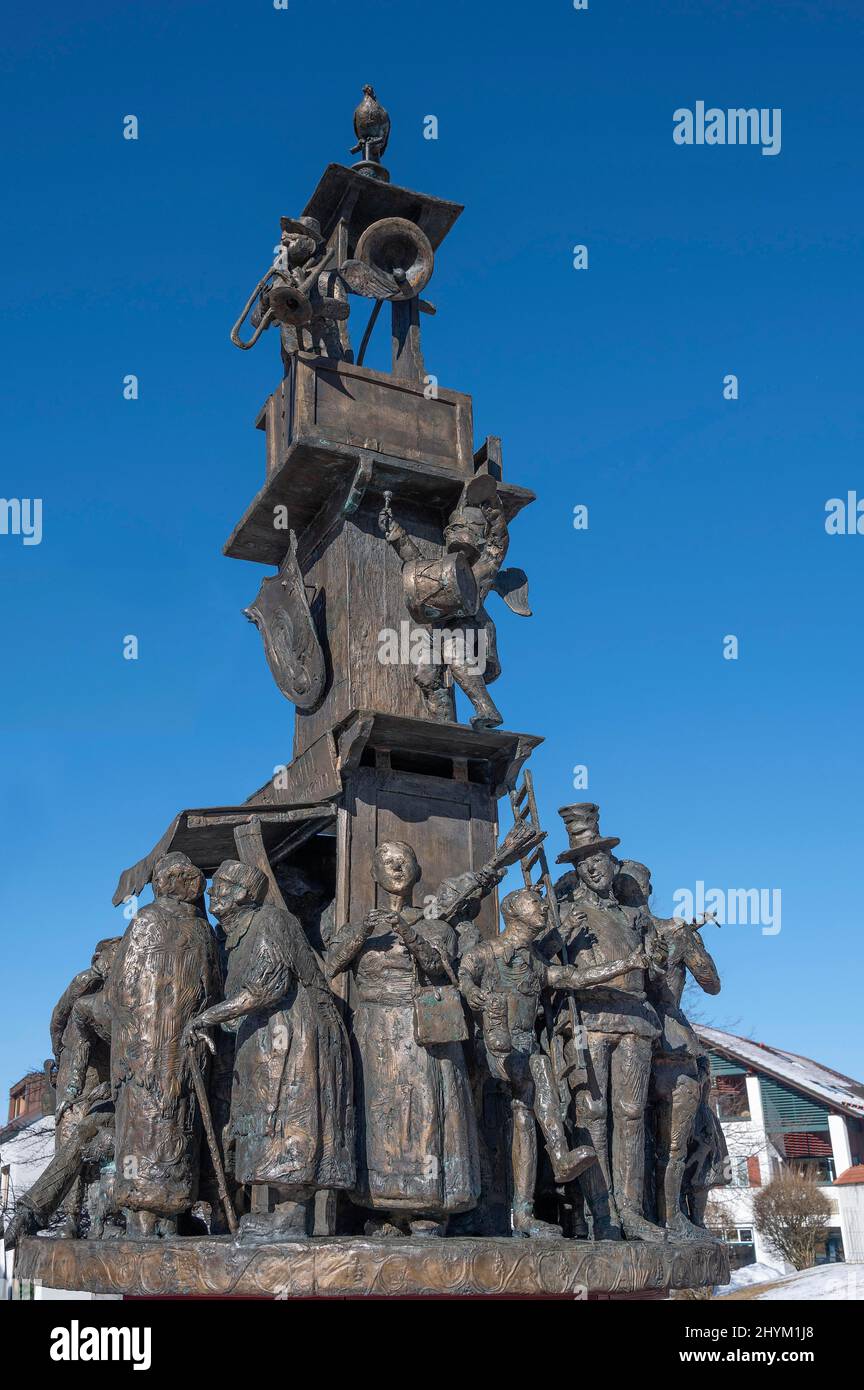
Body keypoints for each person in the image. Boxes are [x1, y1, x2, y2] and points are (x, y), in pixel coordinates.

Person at [459, 886, 647, 1237]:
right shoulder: (487, 952)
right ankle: (559, 1155)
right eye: (535, 902)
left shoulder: (534, 962)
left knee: (525, 1122)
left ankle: (525, 1212)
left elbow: (574, 977)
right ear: (513, 910)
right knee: (540, 1069)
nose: (543, 907)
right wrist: (475, 995)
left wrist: (629, 963)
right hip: (493, 1049)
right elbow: (465, 975)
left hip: (524, 1051)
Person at [184, 859, 355, 1241]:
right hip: (265, 1035)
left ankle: (293, 1214)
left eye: (224, 887)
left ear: (245, 894)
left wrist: (207, 1017)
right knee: (265, 1115)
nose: (214, 892)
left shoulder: (271, 922)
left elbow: (267, 986)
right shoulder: (232, 934)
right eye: (215, 887)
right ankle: (279, 1211)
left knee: (291, 1115)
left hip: (296, 1033)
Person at [327, 841, 481, 1235]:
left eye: (403, 862)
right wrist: (363, 931)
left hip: (420, 1030)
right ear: (375, 875)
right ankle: (383, 1205)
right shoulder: (361, 926)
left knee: (424, 1114)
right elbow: (332, 965)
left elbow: (438, 965)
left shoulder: (434, 925)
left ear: (417, 871)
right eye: (387, 863)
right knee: (381, 1115)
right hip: (375, 1031)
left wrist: (406, 933)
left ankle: (429, 1205)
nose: (396, 869)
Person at [553, 805, 666, 1242]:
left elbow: (655, 970)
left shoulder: (632, 914)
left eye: (600, 859)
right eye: (585, 862)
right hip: (589, 1018)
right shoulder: (566, 913)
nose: (594, 867)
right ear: (577, 869)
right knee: (593, 1113)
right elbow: (543, 961)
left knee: (632, 1115)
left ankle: (632, 1210)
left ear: (611, 863)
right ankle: (601, 1212)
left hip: (635, 1019)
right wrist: (560, 938)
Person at [107, 851, 222, 1238]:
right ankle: (141, 1215)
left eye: (192, 876)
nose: (192, 884)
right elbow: (122, 989)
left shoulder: (201, 931)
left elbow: (212, 988)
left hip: (183, 1050)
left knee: (177, 1124)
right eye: (182, 876)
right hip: (148, 1046)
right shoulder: (146, 922)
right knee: (145, 1124)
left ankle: (170, 1214)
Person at [614, 859, 724, 1241]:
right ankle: (666, 1217)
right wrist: (691, 943)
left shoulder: (619, 933)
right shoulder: (666, 932)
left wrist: (690, 940)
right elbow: (711, 982)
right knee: (670, 1146)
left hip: (644, 1045)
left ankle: (659, 1217)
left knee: (648, 1140)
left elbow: (711, 982)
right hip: (663, 1046)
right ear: (648, 889)